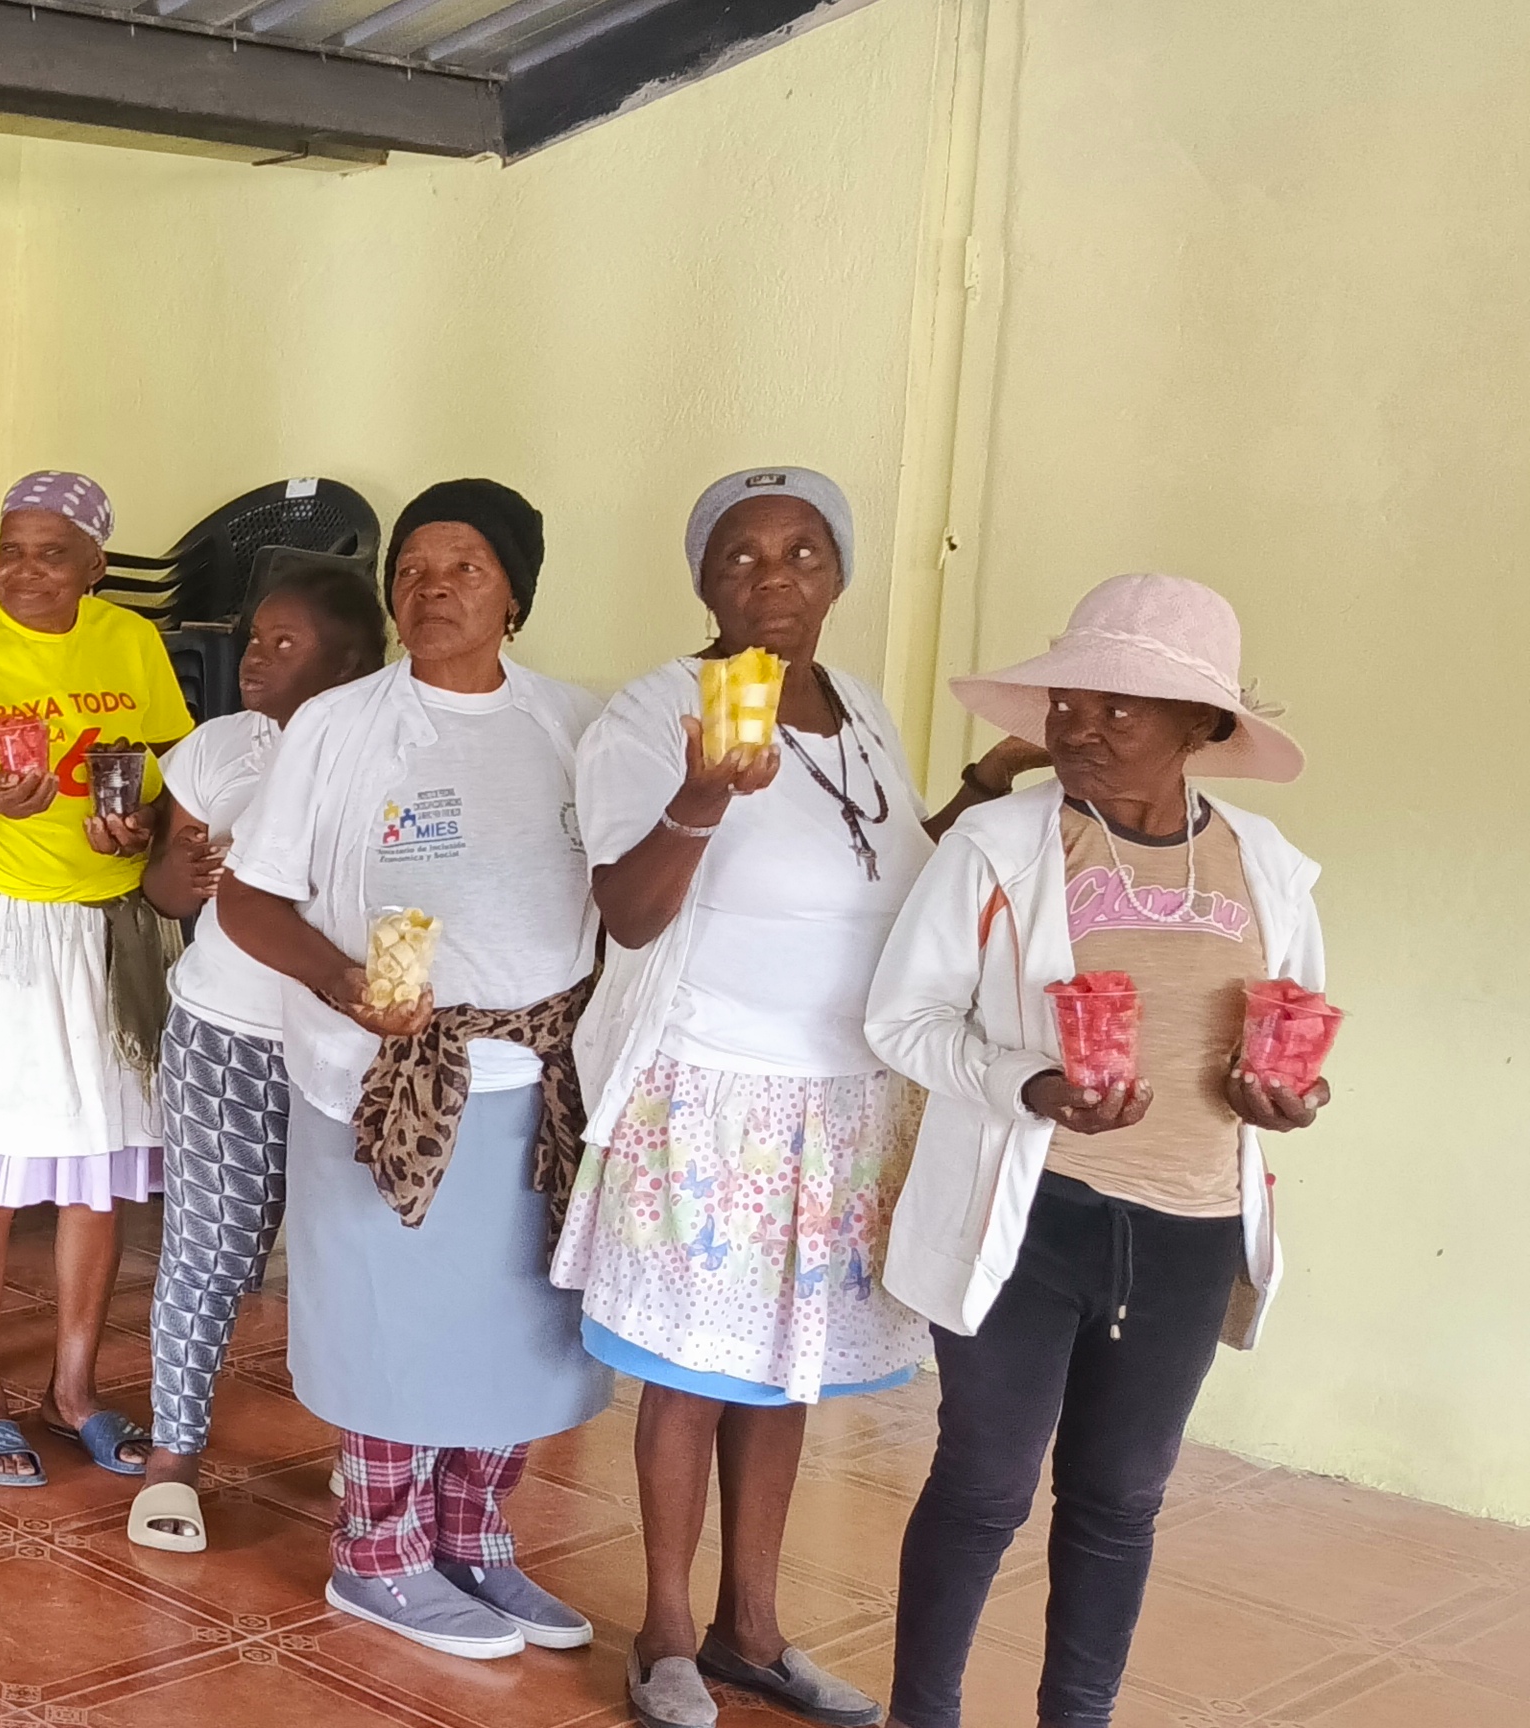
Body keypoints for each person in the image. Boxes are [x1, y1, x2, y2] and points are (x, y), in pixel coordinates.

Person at [868, 574, 1326, 1728]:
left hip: (1190, 1229)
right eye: (1067, 700)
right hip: (1029, 1214)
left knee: (1120, 1501)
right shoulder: (1001, 846)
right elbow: (902, 1019)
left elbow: (1298, 1027)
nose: (1078, 724)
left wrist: (1289, 1099)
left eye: (1118, 705)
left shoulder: (1268, 867)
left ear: (1198, 725)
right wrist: (1029, 1086)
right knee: (985, 1485)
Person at [550, 468, 924, 1727]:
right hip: (712, 1093)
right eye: (742, 557)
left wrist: (982, 794)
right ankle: (664, 1628)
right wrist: (702, 789)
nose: (774, 579)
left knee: (784, 1369)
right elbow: (626, 911)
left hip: (841, 1098)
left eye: (803, 553)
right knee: (695, 1369)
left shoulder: (864, 711)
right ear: (705, 581)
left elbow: (883, 864)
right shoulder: (649, 713)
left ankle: (752, 1629)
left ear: (840, 574)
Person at [221, 478, 611, 1660]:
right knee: (395, 1320)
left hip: (538, 1084)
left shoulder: (576, 724)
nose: (431, 589)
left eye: (464, 568)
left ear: (515, 595)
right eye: (412, 569)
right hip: (388, 1083)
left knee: (517, 1324)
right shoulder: (342, 726)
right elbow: (248, 900)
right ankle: (378, 1555)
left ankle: (475, 1541)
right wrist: (344, 983)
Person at [0, 470, 191, 1489]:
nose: (23, 571)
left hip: (110, 932)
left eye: (51, 553)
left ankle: (74, 1388)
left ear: (95, 565)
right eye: (9, 549)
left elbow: (179, 787)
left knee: (97, 1175)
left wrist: (141, 826)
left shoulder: (131, 644)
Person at [124, 555, 389, 1553]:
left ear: (351, 661)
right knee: (211, 1249)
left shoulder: (387, 751)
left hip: (351, 1041)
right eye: (254, 638)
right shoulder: (220, 747)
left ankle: (367, 1448)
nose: (254, 658)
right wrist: (184, 870)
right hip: (223, 1034)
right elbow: (163, 894)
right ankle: (174, 1458)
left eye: (285, 642)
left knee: (350, 1254)